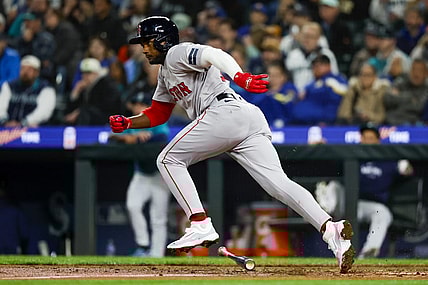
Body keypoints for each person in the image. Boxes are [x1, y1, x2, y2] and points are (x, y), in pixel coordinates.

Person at [109, 16, 355, 273]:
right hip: (244, 117)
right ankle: (331, 230)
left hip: (223, 112)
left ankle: (200, 223)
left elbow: (213, 53)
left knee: (168, 160)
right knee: (279, 185)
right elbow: (158, 113)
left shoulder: (176, 53)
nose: (143, 48)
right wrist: (129, 123)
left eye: (147, 42)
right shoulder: (165, 73)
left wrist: (241, 76)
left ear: (163, 40)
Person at [316, 123, 414, 258]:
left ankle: (369, 253)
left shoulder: (388, 160)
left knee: (383, 213)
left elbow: (408, 171)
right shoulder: (351, 153)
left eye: (371, 138)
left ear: (378, 141)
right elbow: (330, 161)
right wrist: (322, 147)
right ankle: (326, 209)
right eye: (365, 137)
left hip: (371, 206)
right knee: (333, 185)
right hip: (347, 203)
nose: (367, 141)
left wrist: (407, 167)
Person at [109, 92, 170, 257]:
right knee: (133, 205)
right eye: (135, 104)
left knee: (158, 217)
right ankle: (143, 246)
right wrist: (134, 138)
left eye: (141, 104)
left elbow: (163, 137)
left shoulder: (156, 120)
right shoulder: (131, 124)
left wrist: (141, 139)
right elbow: (112, 136)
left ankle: (157, 255)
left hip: (160, 176)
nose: (137, 107)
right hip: (141, 174)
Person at [0, 55, 56, 127]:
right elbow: (1, 106)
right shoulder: (9, 86)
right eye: (23, 69)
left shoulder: (46, 89)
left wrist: (24, 123)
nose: (25, 72)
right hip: (7, 128)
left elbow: (44, 112)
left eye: (29, 70)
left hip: (33, 129)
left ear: (37, 73)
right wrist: (5, 121)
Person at [291, 54, 347, 125]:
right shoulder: (313, 83)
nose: (315, 69)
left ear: (328, 66)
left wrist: (327, 120)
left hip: (326, 120)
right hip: (304, 122)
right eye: (313, 67)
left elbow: (338, 99)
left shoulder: (334, 81)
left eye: (318, 66)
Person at [63, 57, 121, 125]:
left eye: (88, 73)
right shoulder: (84, 87)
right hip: (91, 118)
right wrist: (75, 92)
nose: (85, 76)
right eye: (83, 73)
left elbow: (108, 107)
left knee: (84, 114)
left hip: (108, 119)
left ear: (96, 73)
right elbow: (71, 110)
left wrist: (80, 112)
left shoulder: (107, 85)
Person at [383, 58, 428, 126]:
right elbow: (387, 99)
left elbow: (418, 107)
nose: (416, 74)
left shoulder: (426, 89)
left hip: (413, 123)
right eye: (413, 69)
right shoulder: (401, 81)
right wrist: (410, 98)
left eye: (420, 70)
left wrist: (398, 96)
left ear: (426, 73)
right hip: (390, 121)